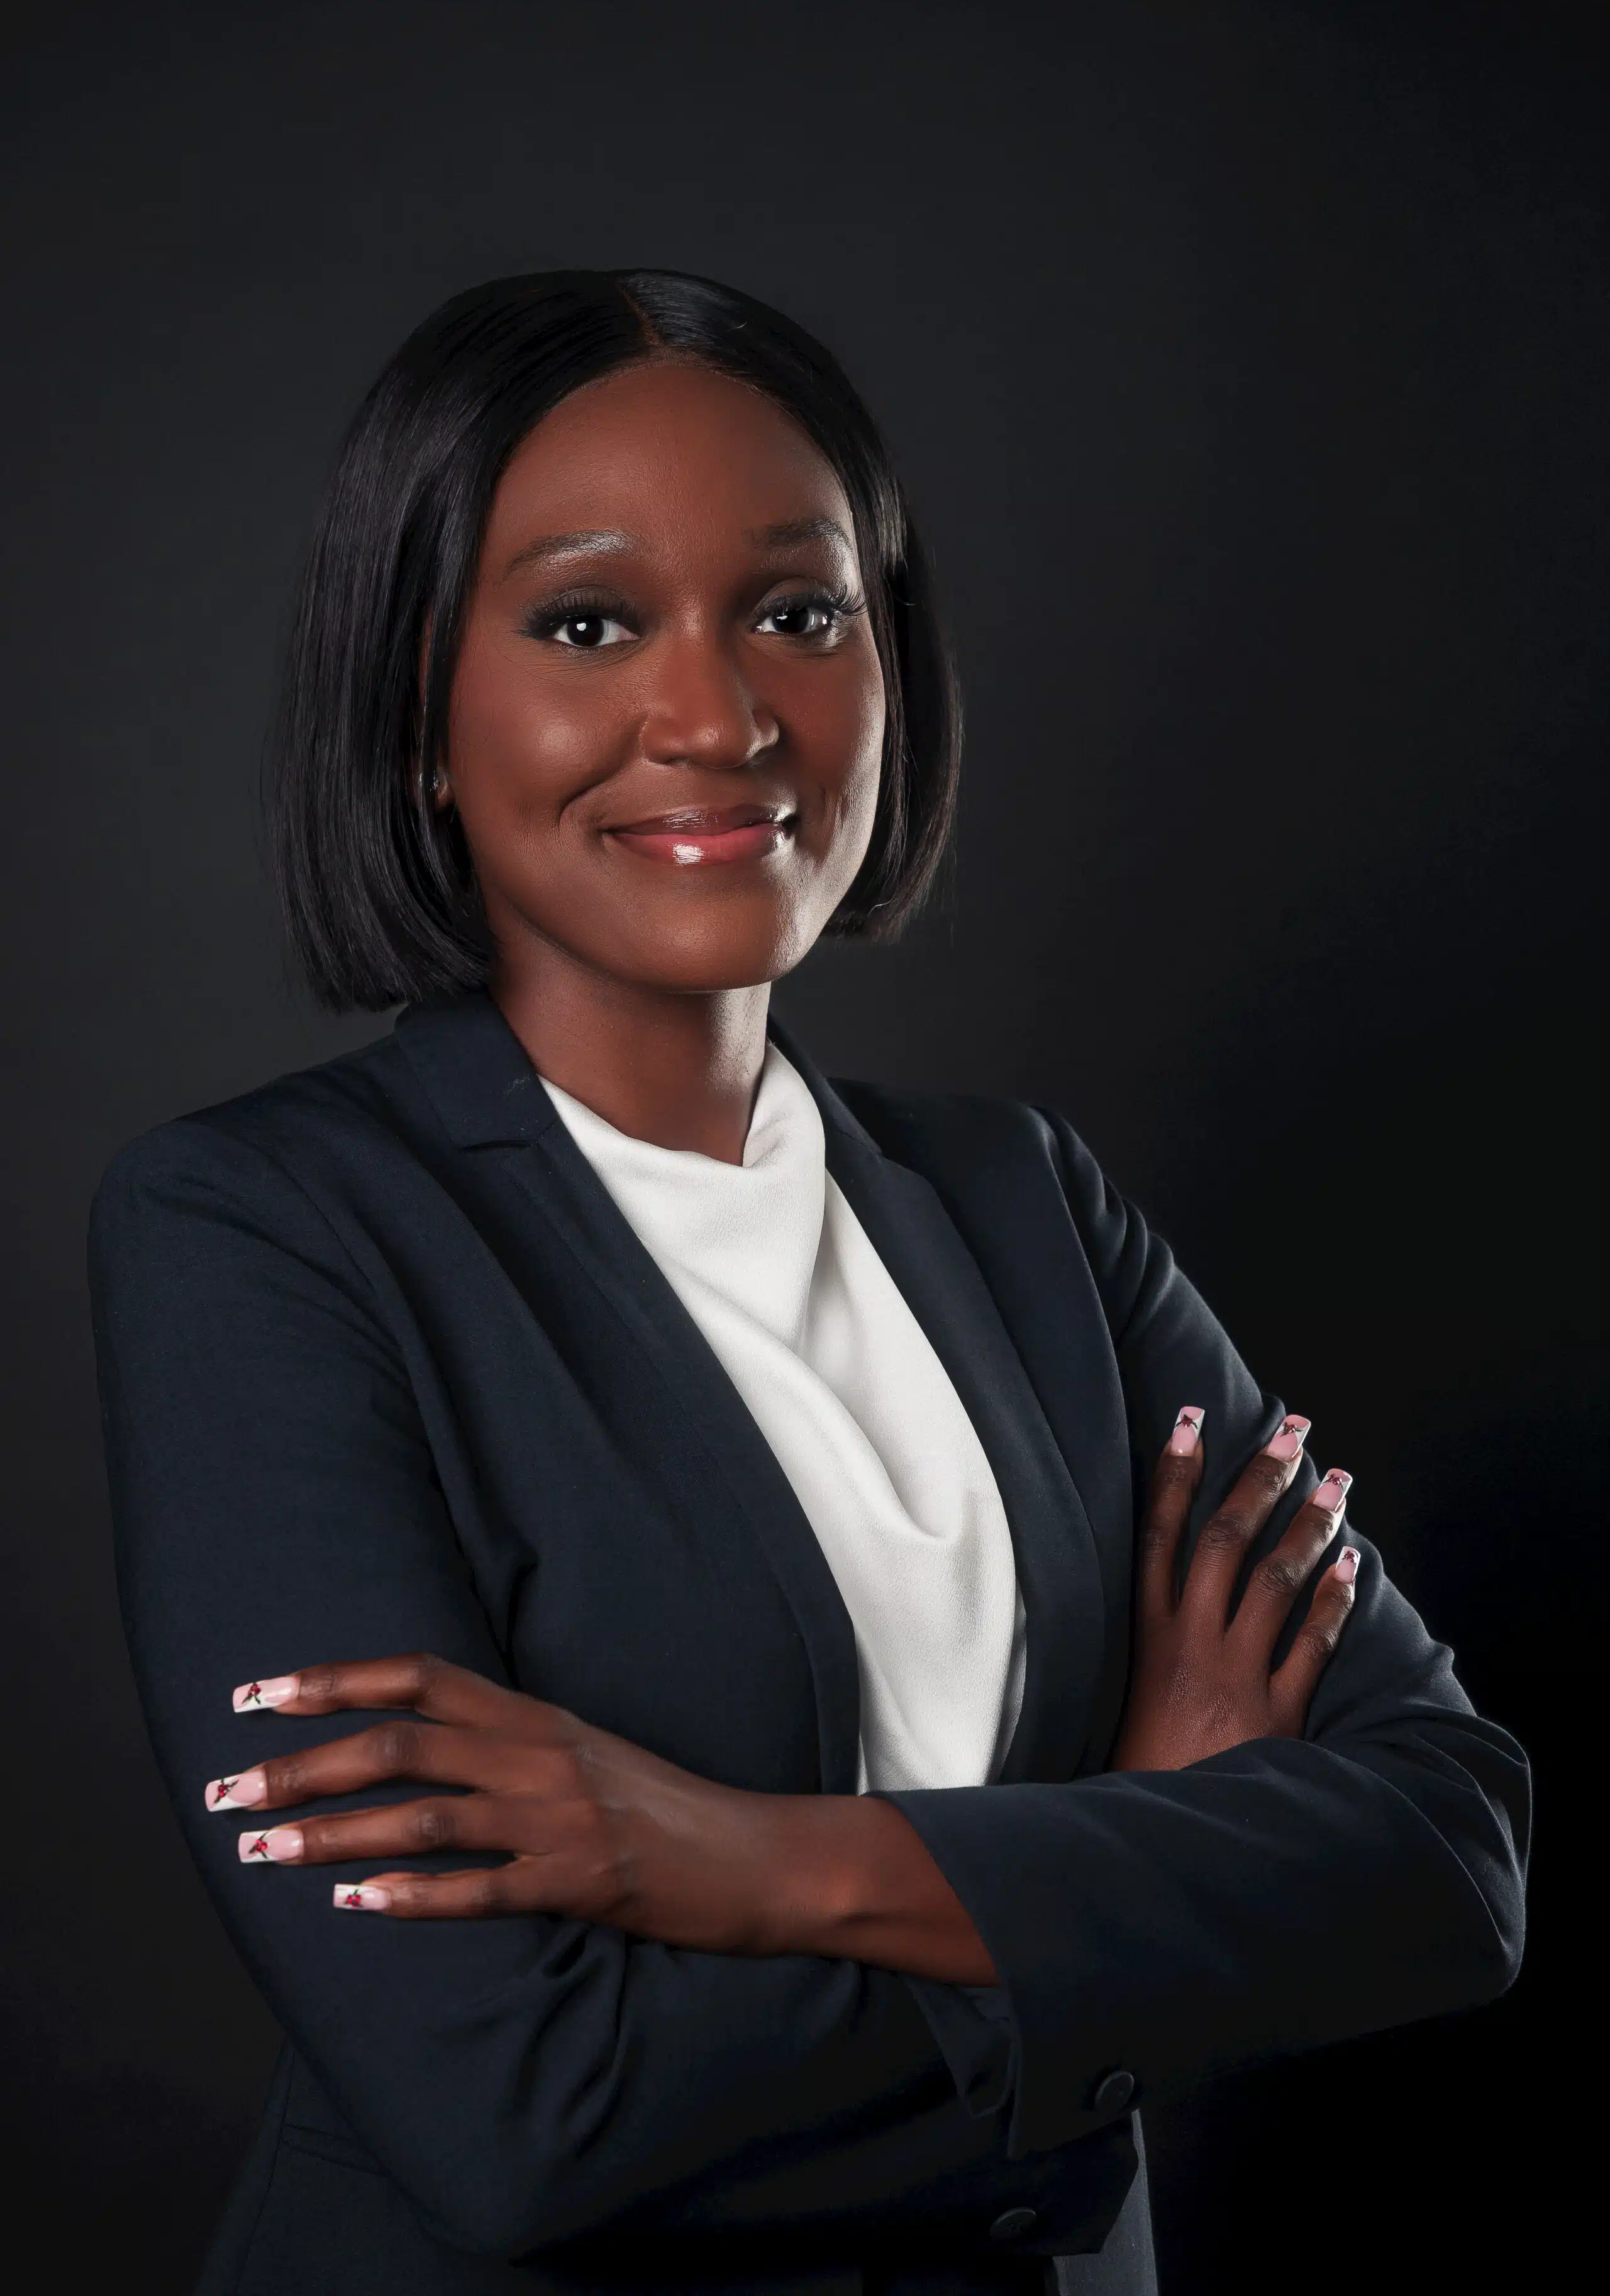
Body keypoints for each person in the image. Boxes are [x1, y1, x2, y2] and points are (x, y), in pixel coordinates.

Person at [89, 270, 1529, 2296]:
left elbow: (1450, 1854)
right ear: (420, 711)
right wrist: (1135, 1872)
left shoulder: (1027, 1206)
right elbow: (523, 2115)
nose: (721, 717)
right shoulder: (263, 1232)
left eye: (798, 610)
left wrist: (747, 1863)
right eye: (590, 624)